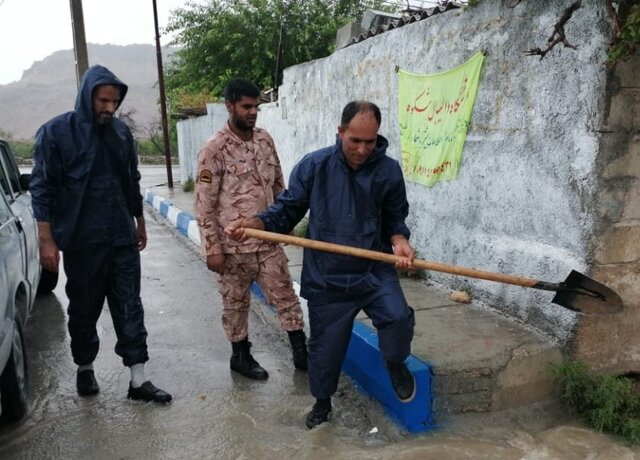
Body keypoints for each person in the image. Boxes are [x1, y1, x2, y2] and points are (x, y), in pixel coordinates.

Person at [225, 101, 417, 429]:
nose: (362, 149)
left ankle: (396, 362)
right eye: (354, 140)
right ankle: (322, 402)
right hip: (329, 278)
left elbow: (395, 217)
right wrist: (256, 223)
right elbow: (287, 209)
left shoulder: (388, 171)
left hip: (373, 270)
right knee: (325, 354)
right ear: (340, 132)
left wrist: (400, 240)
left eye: (369, 142)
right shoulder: (315, 166)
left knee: (399, 317)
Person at [30, 65, 171, 404]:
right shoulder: (56, 134)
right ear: (87, 96)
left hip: (120, 239)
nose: (110, 108)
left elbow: (131, 181)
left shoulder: (121, 134)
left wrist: (139, 220)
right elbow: (42, 188)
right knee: (83, 308)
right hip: (81, 241)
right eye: (104, 100)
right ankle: (85, 368)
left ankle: (138, 380)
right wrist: (46, 240)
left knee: (129, 305)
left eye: (115, 101)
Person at [194, 78, 307, 380]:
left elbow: (280, 186)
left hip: (268, 242)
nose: (253, 112)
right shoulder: (213, 150)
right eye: (246, 106)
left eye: (255, 106)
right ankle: (240, 356)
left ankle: (301, 352)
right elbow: (203, 204)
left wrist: (286, 224)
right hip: (233, 249)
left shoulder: (265, 140)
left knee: (285, 296)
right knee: (235, 303)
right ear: (229, 106)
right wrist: (212, 249)